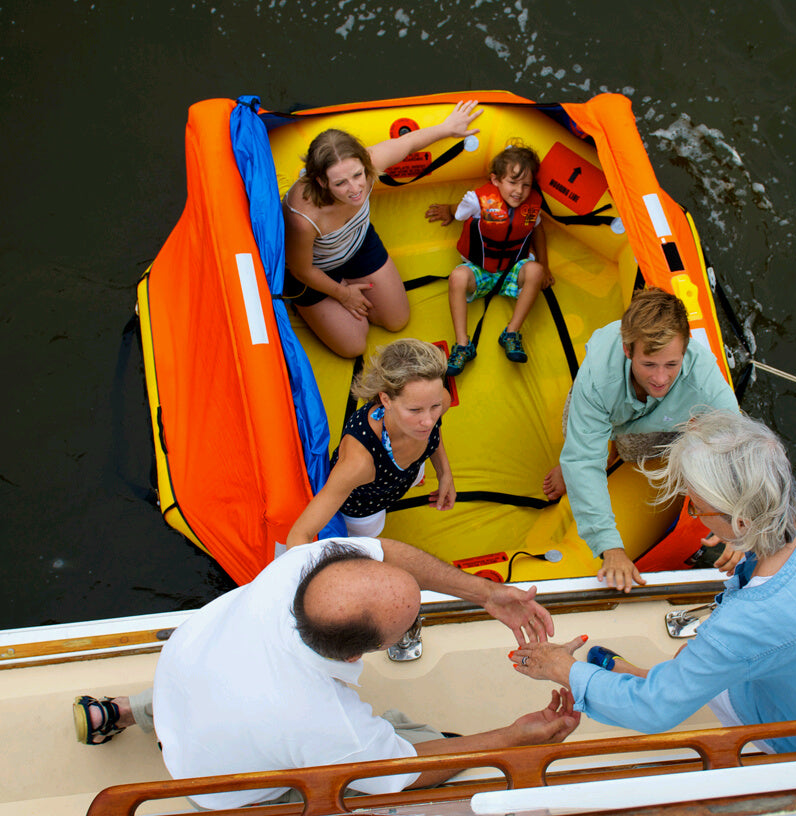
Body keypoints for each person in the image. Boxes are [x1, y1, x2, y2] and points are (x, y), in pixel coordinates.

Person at [509, 410, 796, 755]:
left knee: (699, 659)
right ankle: (658, 672)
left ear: (743, 521)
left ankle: (646, 675)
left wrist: (562, 668)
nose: (692, 514)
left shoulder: (744, 623)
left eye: (697, 509)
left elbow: (654, 711)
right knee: (706, 656)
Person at [74, 536, 575, 810]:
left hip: (183, 673)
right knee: (419, 753)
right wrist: (515, 734)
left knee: (221, 680)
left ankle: (120, 711)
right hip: (213, 786)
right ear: (359, 655)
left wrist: (486, 593)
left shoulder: (304, 561)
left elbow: (387, 552)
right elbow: (402, 774)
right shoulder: (323, 721)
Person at [542, 287, 739, 592]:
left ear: (685, 350)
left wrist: (739, 513)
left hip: (655, 423)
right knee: (577, 442)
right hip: (605, 405)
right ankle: (581, 460)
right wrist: (611, 548)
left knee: (634, 452)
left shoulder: (702, 373)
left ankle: (617, 450)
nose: (660, 378)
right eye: (649, 364)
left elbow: (738, 442)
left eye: (671, 365)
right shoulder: (599, 375)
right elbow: (583, 459)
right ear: (628, 350)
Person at [284, 101, 483, 358]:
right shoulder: (303, 216)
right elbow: (301, 269)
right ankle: (317, 302)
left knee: (397, 320)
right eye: (340, 183)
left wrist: (447, 128)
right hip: (316, 269)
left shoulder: (368, 165)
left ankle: (347, 288)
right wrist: (343, 295)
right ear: (321, 181)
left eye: (357, 175)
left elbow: (409, 143)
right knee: (353, 346)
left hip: (357, 245)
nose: (354, 188)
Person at [287, 339, 454, 545]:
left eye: (434, 406)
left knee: (415, 469)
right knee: (369, 534)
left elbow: (434, 431)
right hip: (366, 507)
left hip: (404, 473)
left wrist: (444, 472)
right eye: (415, 410)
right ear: (385, 400)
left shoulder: (439, 400)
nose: (428, 420)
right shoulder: (358, 463)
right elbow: (298, 535)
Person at [425, 142, 553, 377]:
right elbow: (461, 211)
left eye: (526, 185)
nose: (520, 191)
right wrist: (448, 210)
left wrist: (544, 265)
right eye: (513, 183)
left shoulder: (532, 205)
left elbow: (538, 230)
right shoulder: (477, 200)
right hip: (480, 271)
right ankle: (463, 344)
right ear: (495, 180)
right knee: (457, 277)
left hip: (512, 272)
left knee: (535, 271)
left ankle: (511, 333)